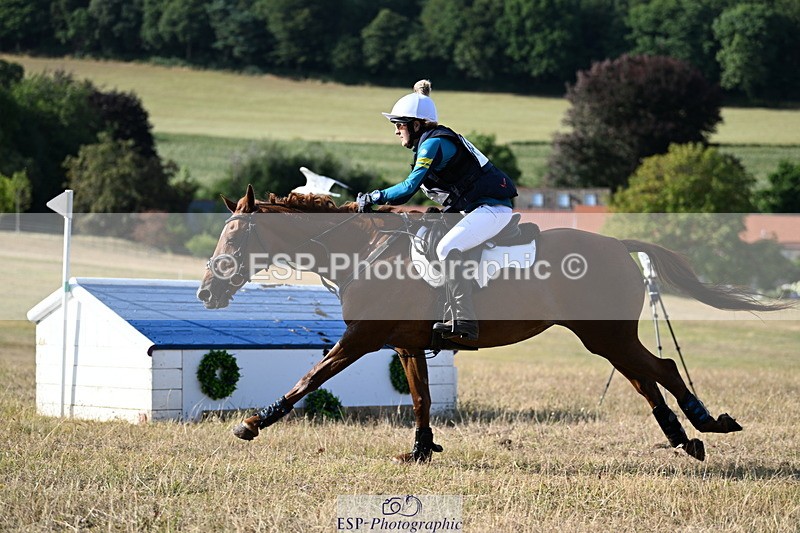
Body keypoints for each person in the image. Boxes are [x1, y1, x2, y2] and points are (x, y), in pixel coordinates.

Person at [357, 80, 518, 341]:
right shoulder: (430, 142)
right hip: (476, 208)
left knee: (446, 248)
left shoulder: (432, 144)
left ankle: (464, 319)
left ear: (416, 124)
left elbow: (409, 188)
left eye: (399, 124)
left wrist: (375, 196)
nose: (397, 131)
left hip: (492, 209)